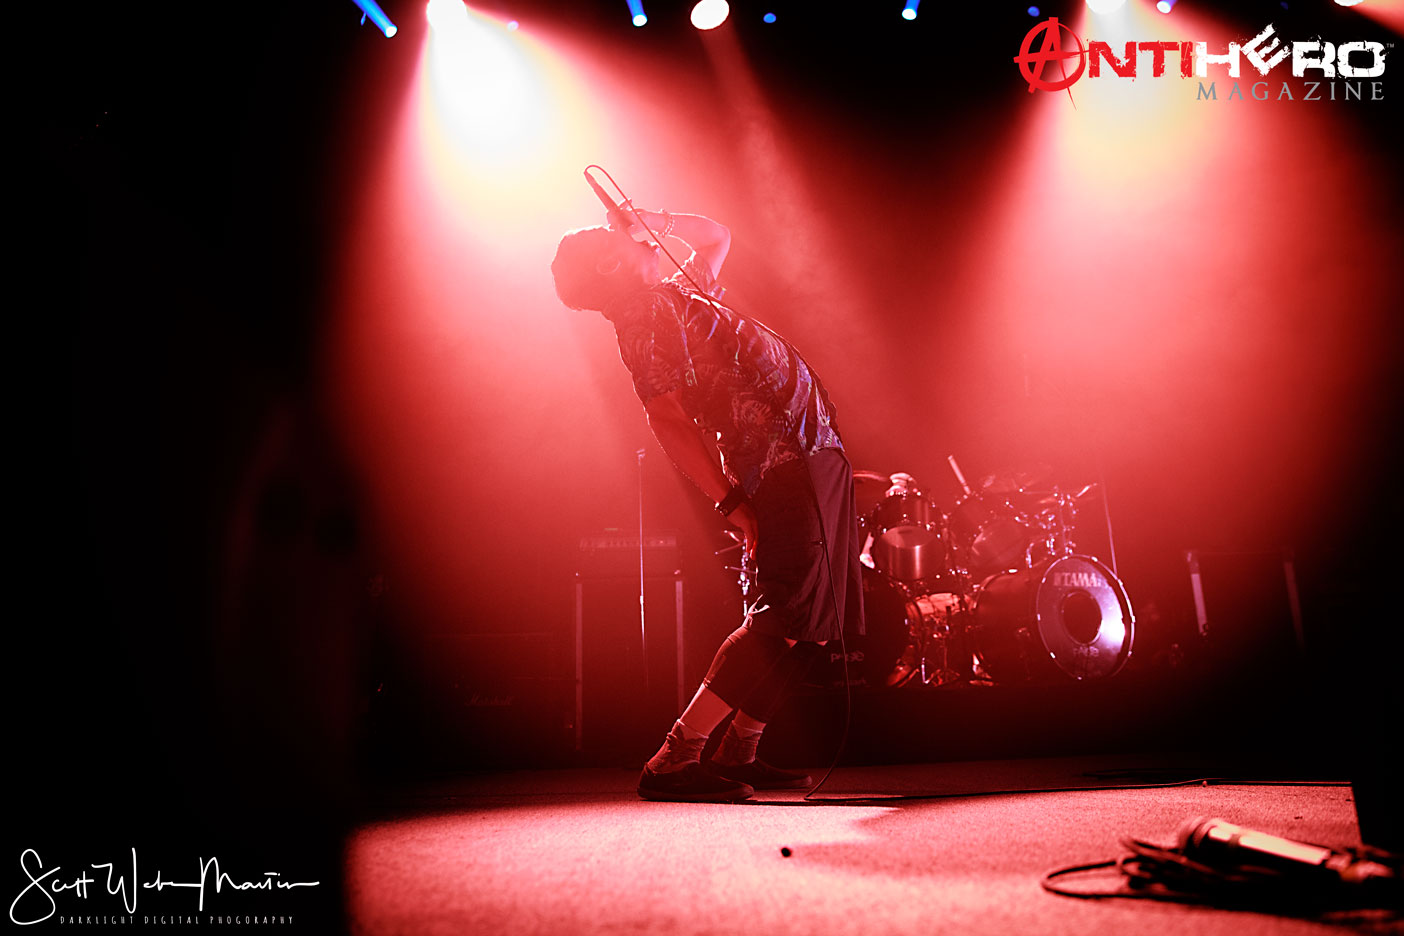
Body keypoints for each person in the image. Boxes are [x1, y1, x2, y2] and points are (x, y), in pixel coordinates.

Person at [551, 203, 864, 802]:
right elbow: (665, 417)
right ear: (612, 264)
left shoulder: (675, 295)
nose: (637, 239)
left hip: (814, 456)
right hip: (779, 467)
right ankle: (674, 759)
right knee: (782, 616)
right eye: (617, 239)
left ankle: (739, 750)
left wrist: (651, 218)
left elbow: (717, 238)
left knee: (817, 628)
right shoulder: (643, 315)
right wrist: (730, 502)